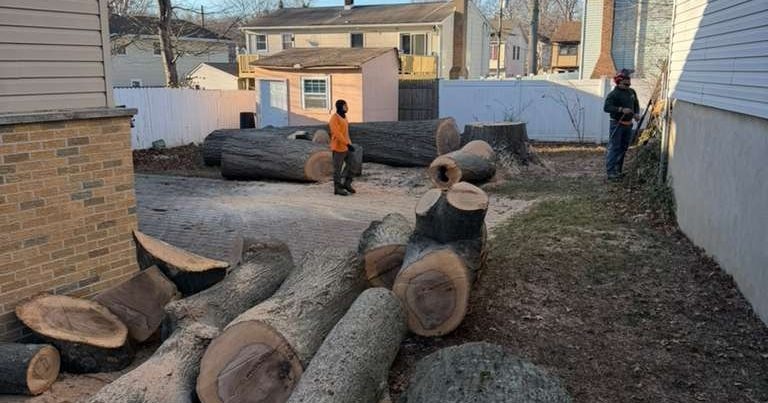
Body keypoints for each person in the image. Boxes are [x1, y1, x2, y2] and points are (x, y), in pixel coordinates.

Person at [603, 69, 640, 180]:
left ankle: (618, 171)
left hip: (628, 125)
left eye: (629, 83)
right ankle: (611, 172)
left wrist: (636, 114)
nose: (628, 85)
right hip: (617, 124)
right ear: (618, 82)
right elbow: (606, 108)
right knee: (615, 148)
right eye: (626, 84)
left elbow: (636, 105)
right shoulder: (613, 94)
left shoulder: (631, 92)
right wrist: (620, 109)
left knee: (623, 148)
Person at [328, 99, 356, 196]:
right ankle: (337, 188)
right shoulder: (334, 119)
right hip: (338, 147)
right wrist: (347, 144)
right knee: (337, 169)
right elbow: (337, 134)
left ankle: (347, 183)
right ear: (340, 107)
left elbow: (345, 133)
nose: (347, 107)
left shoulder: (344, 116)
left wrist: (349, 143)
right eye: (345, 105)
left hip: (347, 146)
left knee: (352, 165)